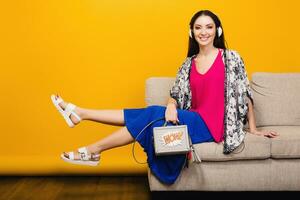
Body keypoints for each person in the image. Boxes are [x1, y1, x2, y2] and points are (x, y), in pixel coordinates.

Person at [51, 10, 279, 185]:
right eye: (198, 27)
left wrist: (254, 128)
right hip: (194, 119)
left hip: (215, 127)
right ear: (191, 31)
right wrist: (171, 106)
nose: (204, 32)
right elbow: (176, 93)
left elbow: (245, 95)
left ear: (217, 30)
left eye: (209, 27)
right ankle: (85, 128)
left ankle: (87, 130)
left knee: (151, 113)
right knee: (152, 116)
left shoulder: (231, 58)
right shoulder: (188, 64)